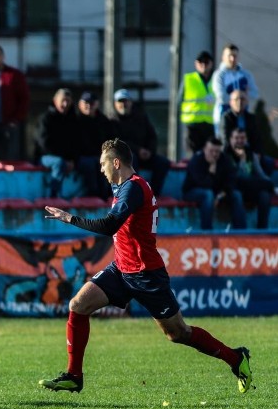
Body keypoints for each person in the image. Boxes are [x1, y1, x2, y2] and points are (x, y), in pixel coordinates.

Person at [40, 138, 252, 394]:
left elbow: (109, 226)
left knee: (178, 333)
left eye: (103, 163)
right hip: (121, 269)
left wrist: (70, 218)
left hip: (146, 274)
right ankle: (74, 376)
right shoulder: (123, 188)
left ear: (116, 162)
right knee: (78, 305)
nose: (100, 169)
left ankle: (236, 358)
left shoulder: (133, 188)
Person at [111, 89, 170, 197]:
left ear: (131, 102)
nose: (123, 104)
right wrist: (138, 150)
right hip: (127, 157)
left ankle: (152, 195)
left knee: (163, 162)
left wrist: (149, 151)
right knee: (131, 160)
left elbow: (152, 136)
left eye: (126, 101)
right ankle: (133, 194)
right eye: (120, 101)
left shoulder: (141, 118)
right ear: (115, 104)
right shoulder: (112, 121)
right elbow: (118, 142)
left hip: (144, 155)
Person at [182, 137, 245, 230]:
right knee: (208, 194)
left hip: (218, 193)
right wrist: (211, 172)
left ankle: (241, 232)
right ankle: (207, 232)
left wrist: (220, 195)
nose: (214, 154)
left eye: (217, 152)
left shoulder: (224, 160)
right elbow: (201, 183)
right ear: (205, 149)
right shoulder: (196, 160)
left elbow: (231, 180)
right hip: (192, 191)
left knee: (237, 195)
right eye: (211, 151)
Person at [225, 128, 274, 230]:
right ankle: (241, 232)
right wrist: (242, 160)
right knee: (237, 196)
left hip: (249, 188)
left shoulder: (251, 154)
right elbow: (235, 177)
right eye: (236, 138)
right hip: (231, 190)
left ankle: (262, 231)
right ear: (230, 140)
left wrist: (270, 184)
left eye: (242, 138)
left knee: (265, 195)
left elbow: (260, 174)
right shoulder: (225, 155)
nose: (239, 141)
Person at [36, 88, 79, 198]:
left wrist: (72, 159)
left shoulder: (73, 120)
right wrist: (65, 158)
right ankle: (53, 196)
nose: (65, 104)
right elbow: (44, 143)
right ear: (55, 101)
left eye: (68, 101)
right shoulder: (45, 119)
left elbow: (75, 142)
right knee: (58, 163)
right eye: (63, 100)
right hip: (45, 157)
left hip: (65, 158)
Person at [219, 90, 274, 176]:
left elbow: (257, 138)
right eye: (236, 99)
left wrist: (258, 153)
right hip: (232, 153)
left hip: (250, 152)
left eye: (242, 99)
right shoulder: (226, 118)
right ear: (230, 102)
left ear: (247, 102)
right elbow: (225, 140)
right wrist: (237, 152)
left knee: (270, 163)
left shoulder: (251, 118)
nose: (239, 102)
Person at [211, 43, 260, 134]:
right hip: (224, 114)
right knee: (224, 141)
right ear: (223, 57)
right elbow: (221, 96)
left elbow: (255, 94)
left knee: (243, 140)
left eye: (235, 56)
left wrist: (242, 100)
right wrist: (239, 98)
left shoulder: (246, 75)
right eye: (229, 56)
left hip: (243, 115)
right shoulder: (219, 75)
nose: (232, 59)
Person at [75, 92, 115, 199]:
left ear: (97, 104)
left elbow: (111, 140)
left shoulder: (103, 121)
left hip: (100, 155)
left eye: (92, 103)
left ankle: (108, 196)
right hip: (81, 157)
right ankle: (94, 197)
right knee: (92, 164)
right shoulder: (75, 120)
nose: (89, 105)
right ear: (80, 104)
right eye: (86, 102)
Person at [178, 51, 216, 154]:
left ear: (211, 64)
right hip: (192, 125)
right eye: (200, 62)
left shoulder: (216, 80)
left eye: (206, 62)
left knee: (210, 154)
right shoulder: (188, 79)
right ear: (196, 64)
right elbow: (179, 101)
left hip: (210, 124)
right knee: (193, 156)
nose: (203, 65)